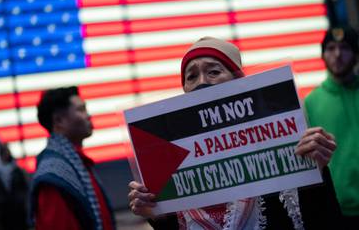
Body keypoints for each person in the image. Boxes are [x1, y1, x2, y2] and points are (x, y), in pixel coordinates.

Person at [128, 37, 342, 229]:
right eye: (191, 76)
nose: (201, 82)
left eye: (213, 71)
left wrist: (317, 171)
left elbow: (319, 220)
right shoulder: (175, 169)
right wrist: (158, 216)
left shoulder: (279, 145)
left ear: (238, 81)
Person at [30, 86, 115, 230]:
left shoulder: (75, 163)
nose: (88, 115)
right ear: (58, 121)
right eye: (81, 110)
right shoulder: (53, 174)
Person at [305, 26, 359, 230]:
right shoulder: (311, 103)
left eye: (344, 48)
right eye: (331, 48)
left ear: (355, 53)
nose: (337, 55)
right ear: (323, 54)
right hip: (339, 211)